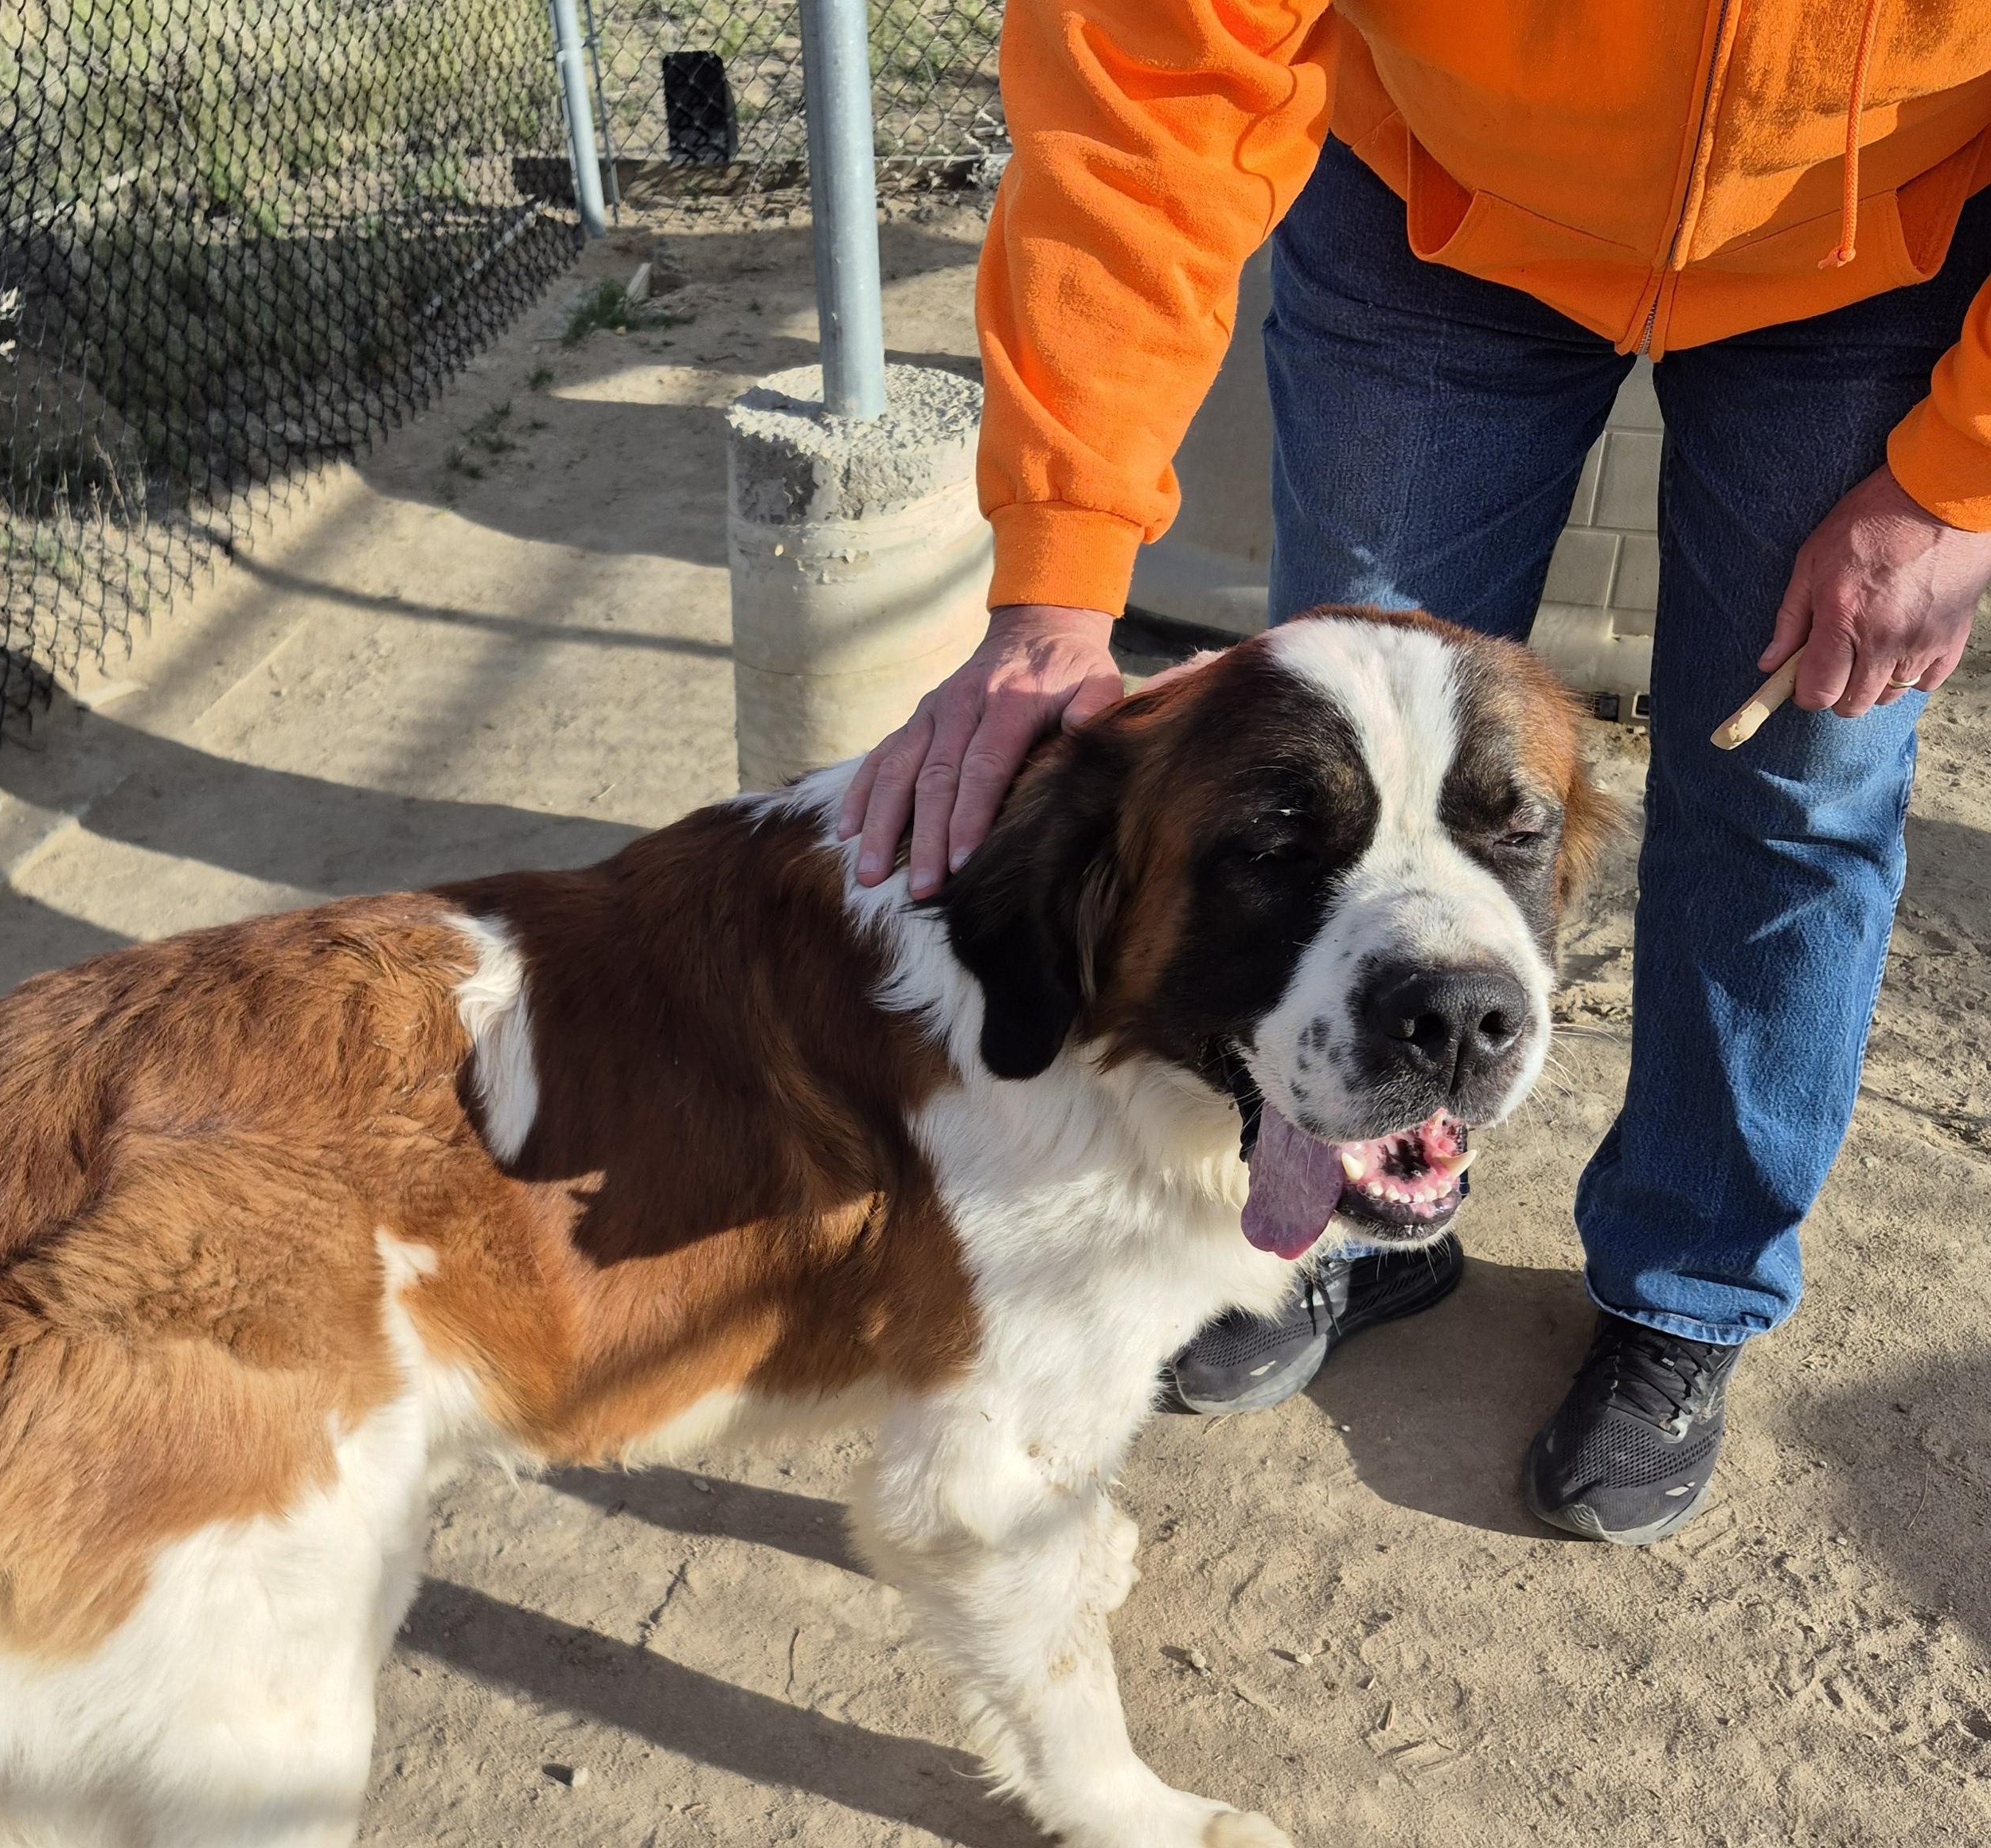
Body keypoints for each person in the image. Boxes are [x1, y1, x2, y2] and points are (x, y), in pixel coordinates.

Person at [840, 1, 1991, 1545]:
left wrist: (1962, 477)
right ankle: (1338, 1207)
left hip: (1883, 240)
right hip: (1438, 202)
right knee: (1340, 764)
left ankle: (1692, 1286)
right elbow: (1145, 78)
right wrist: (1055, 581)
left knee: (1794, 792)